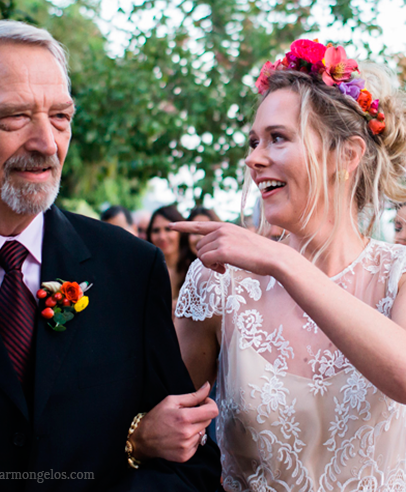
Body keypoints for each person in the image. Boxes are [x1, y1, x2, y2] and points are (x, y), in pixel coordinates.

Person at [0, 19, 219, 491]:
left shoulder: (129, 269)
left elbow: (188, 461)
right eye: (15, 117)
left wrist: (134, 447)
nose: (47, 143)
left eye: (60, 117)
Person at [172, 39, 406, 489]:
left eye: (277, 138)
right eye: (254, 141)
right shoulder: (219, 282)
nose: (254, 159)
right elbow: (177, 439)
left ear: (348, 155)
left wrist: (281, 260)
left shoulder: (398, 274)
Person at [147, 204, 196, 308]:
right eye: (156, 230)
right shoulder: (145, 272)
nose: (162, 237)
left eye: (168, 229)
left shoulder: (195, 270)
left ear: (181, 232)